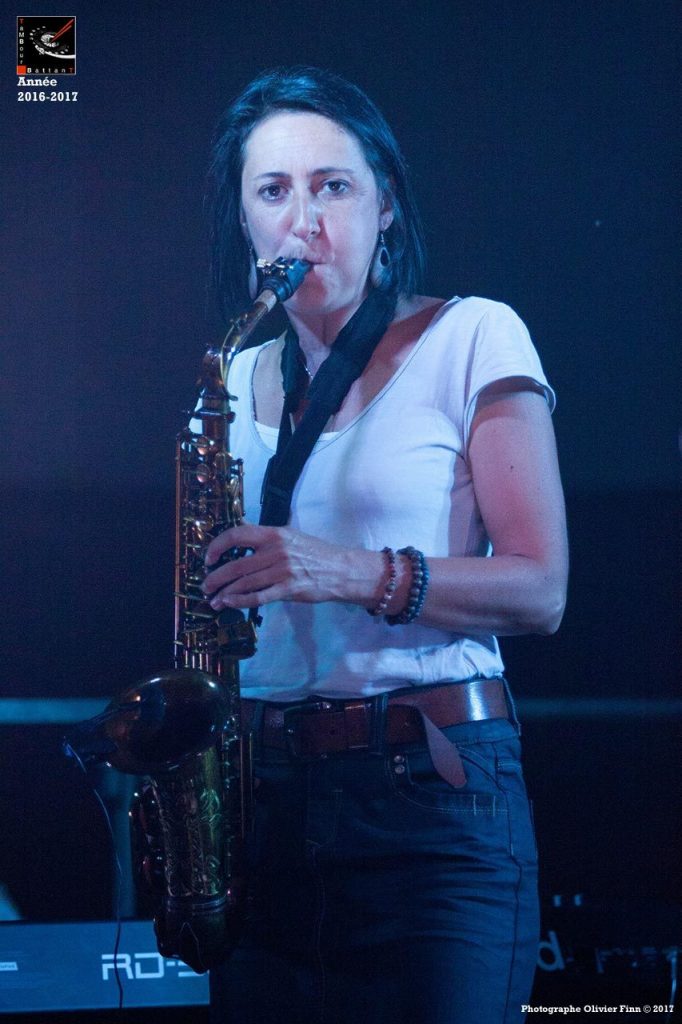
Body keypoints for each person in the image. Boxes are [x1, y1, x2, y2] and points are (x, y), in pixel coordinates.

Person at [200, 66, 568, 1024]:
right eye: (273, 192)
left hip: (431, 803)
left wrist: (350, 571)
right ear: (244, 219)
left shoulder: (473, 334)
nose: (304, 222)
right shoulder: (230, 381)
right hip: (266, 807)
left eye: (334, 186)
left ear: (386, 205)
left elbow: (541, 590)